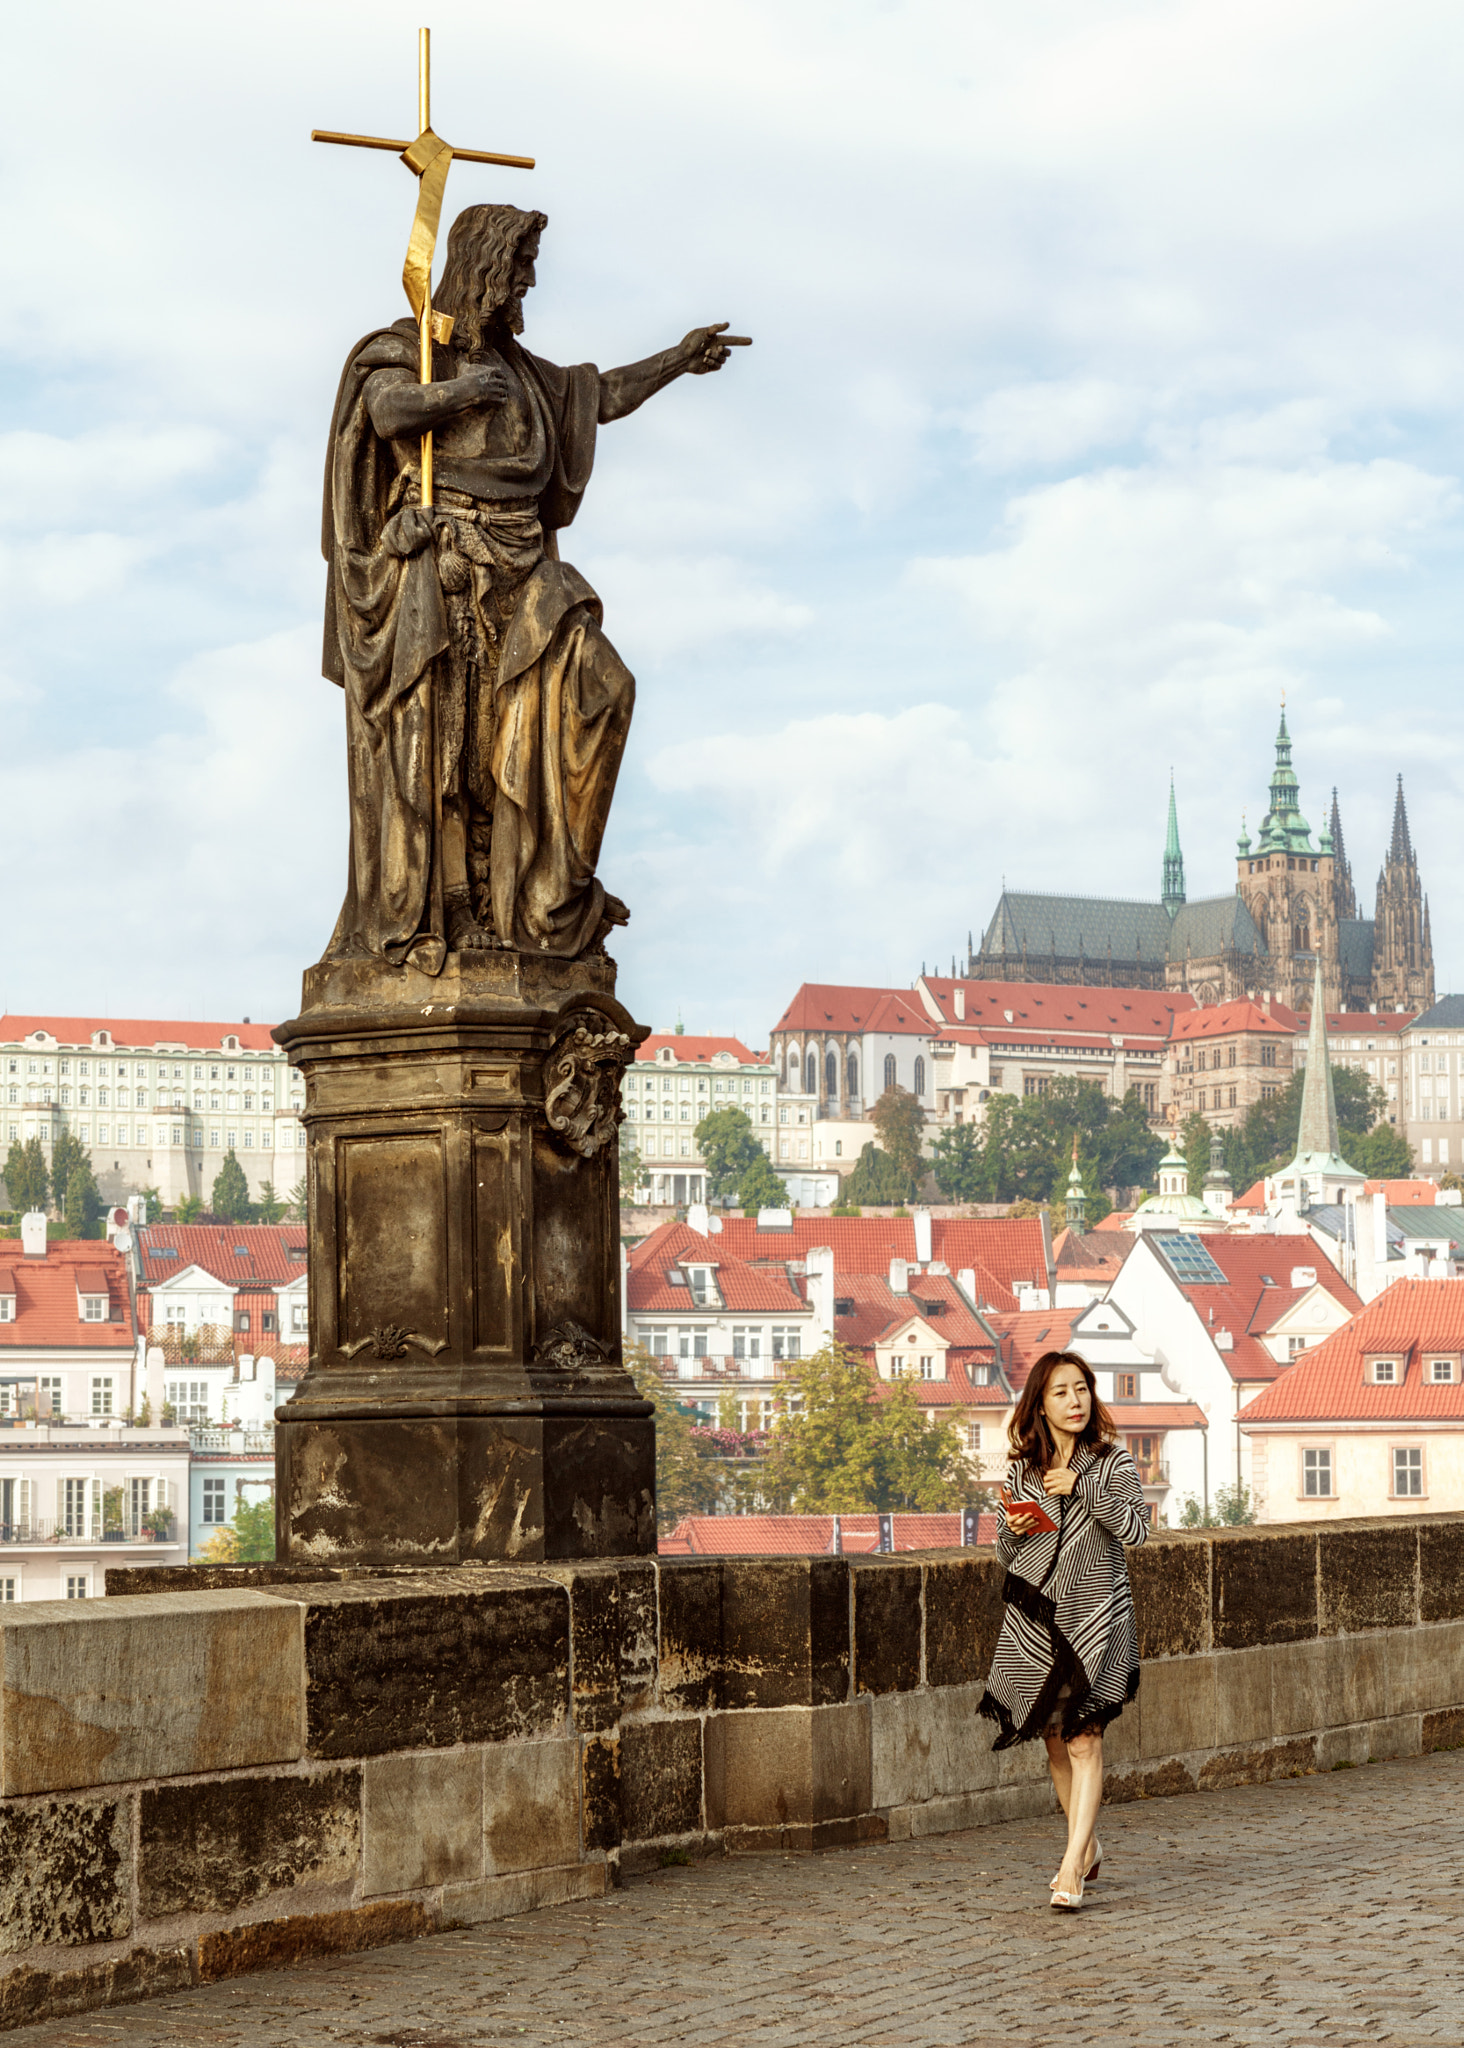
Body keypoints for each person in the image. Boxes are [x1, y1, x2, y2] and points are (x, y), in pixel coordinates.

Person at [321, 202, 741, 972]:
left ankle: (552, 895)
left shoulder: (523, 373)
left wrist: (677, 360)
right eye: (519, 269)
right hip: (442, 569)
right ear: (483, 270)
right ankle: (454, 909)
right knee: (448, 752)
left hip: (524, 567)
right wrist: (464, 393)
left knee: (602, 688)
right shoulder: (409, 349)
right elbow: (386, 413)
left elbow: (599, 395)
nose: (528, 283)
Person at [977, 1348, 1149, 1911]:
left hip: (1095, 1622)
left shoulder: (1113, 1463)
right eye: (1061, 1392)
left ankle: (1072, 1866)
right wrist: (1014, 1525)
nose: (1075, 1401)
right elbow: (1008, 1552)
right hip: (1038, 1622)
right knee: (1054, 1743)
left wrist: (1080, 1489)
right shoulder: (1022, 1468)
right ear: (1040, 1405)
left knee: (1085, 1738)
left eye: (1082, 1389)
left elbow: (1137, 1529)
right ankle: (1088, 1840)